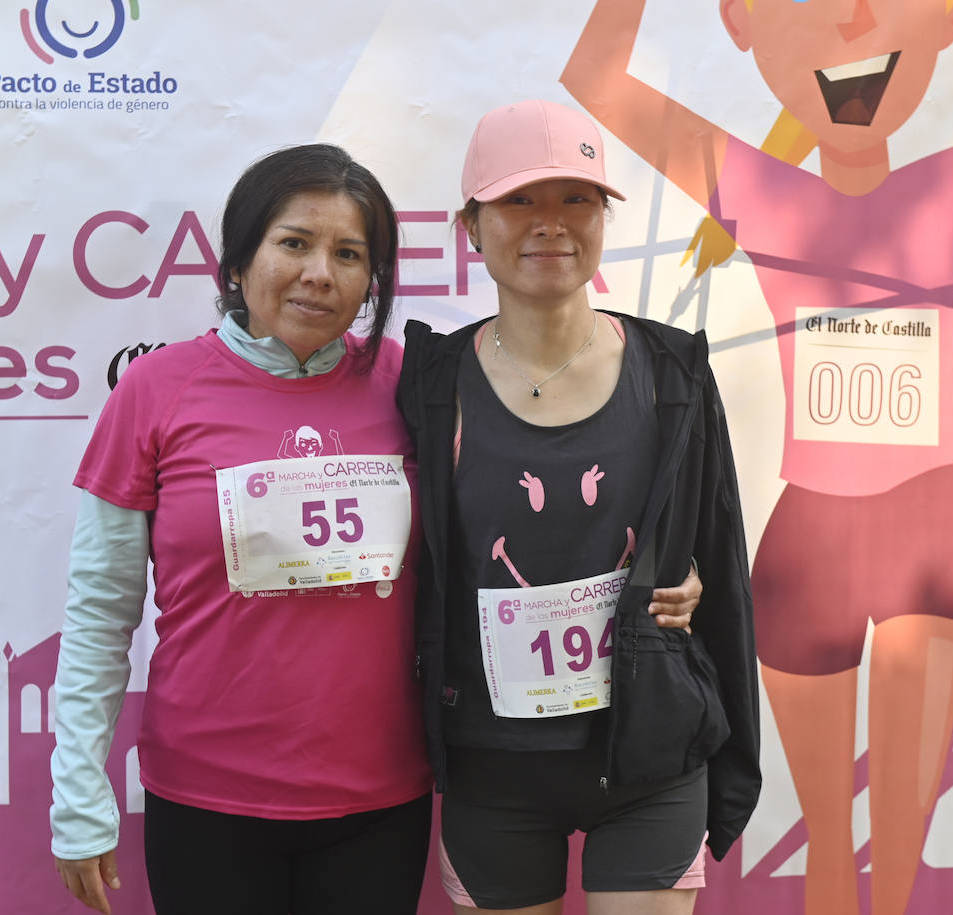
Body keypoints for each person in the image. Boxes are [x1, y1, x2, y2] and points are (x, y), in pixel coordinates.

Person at [561, 3, 953, 914]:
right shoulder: (763, 190)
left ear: (948, 20)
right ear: (743, 26)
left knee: (894, 851)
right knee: (832, 847)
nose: (854, 21)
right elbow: (595, 80)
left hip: (927, 530)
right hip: (807, 547)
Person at [49, 142, 706, 915]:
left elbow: (509, 524)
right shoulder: (157, 390)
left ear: (374, 280)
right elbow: (100, 609)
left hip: (375, 797)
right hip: (206, 792)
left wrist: (666, 579)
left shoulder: (414, 385)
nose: (320, 272)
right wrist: (78, 798)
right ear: (237, 261)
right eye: (293, 243)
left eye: (349, 253)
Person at [398, 99, 760, 915]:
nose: (550, 224)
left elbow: (718, 551)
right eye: (520, 200)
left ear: (603, 219)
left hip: (649, 754)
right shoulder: (429, 384)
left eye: (577, 199)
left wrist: (685, 573)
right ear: (470, 224)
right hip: (493, 762)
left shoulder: (673, 373)